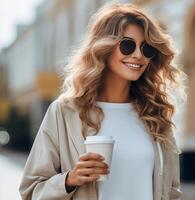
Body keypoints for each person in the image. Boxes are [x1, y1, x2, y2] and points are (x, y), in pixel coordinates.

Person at [19, 3, 186, 200]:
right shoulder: (65, 112)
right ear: (104, 48)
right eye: (127, 45)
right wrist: (70, 179)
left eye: (147, 48)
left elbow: (171, 191)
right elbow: (31, 191)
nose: (139, 55)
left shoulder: (155, 115)